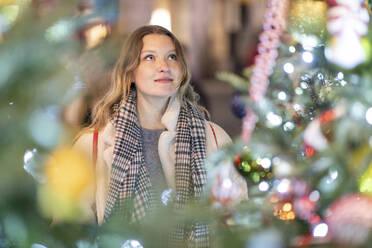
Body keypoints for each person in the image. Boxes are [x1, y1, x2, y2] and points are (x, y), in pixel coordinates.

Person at [73, 25, 247, 246]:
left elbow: (237, 220)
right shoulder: (92, 145)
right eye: (149, 58)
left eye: (172, 57)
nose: (163, 66)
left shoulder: (214, 138)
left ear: (182, 70)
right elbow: (71, 230)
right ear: (130, 72)